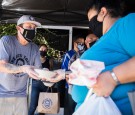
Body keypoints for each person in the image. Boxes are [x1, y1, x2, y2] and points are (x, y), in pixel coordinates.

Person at [71, 0, 135, 114]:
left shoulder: (125, 24)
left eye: (91, 19)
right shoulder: (104, 39)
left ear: (103, 12)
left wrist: (113, 77)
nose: (91, 25)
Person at [0, 15, 42, 115]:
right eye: (29, 27)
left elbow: (37, 70)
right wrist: (23, 68)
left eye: (34, 28)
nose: (32, 30)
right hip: (2, 94)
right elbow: (2, 66)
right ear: (19, 28)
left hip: (21, 95)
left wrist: (48, 74)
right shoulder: (7, 41)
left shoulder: (34, 48)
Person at [61, 35, 85, 115]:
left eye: (83, 43)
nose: (81, 44)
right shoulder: (69, 54)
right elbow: (63, 70)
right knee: (69, 109)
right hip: (70, 86)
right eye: (79, 43)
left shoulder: (84, 54)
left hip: (81, 85)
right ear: (75, 43)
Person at [28, 44, 52, 115]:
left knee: (43, 108)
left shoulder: (49, 61)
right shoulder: (34, 60)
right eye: (41, 49)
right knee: (33, 106)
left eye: (45, 50)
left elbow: (51, 73)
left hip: (45, 85)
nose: (43, 51)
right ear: (38, 50)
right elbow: (30, 73)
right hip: (36, 85)